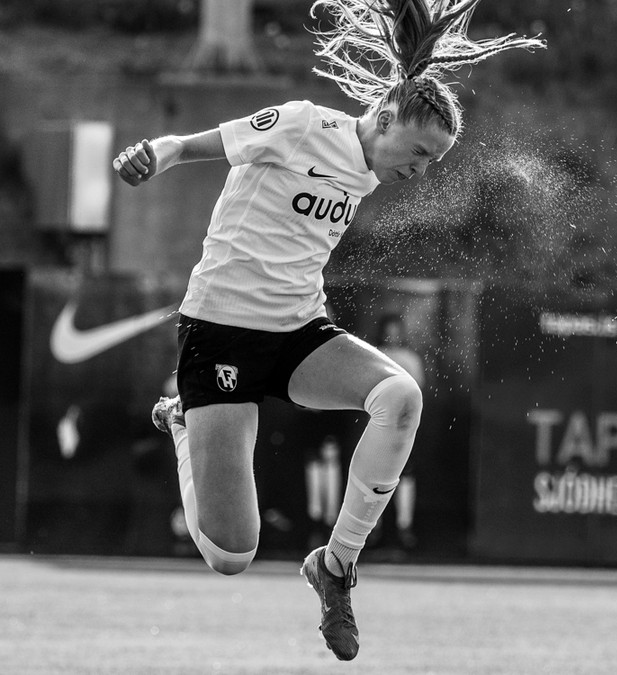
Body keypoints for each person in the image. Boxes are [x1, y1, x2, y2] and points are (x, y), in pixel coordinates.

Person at [112, 0, 543, 662]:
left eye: (434, 161)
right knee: (230, 554)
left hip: (297, 330)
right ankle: (181, 420)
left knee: (400, 396)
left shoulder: (369, 168)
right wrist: (155, 153)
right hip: (221, 331)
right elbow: (200, 143)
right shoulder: (301, 125)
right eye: (420, 152)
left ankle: (336, 565)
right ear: (385, 118)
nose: (421, 170)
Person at [372, 312, 426, 551]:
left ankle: (404, 528)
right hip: (378, 426)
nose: (392, 336)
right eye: (388, 331)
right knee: (374, 476)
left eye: (396, 331)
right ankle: (373, 529)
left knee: (405, 475)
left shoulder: (410, 359)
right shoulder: (373, 354)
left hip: (405, 428)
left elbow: (418, 393)